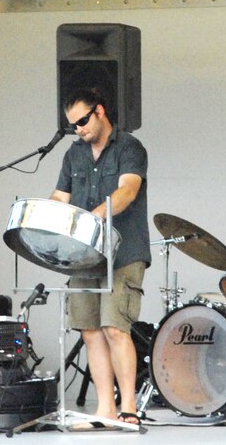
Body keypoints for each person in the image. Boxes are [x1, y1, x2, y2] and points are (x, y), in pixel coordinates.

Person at [50, 87, 150, 427]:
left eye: (82, 121)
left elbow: (128, 191)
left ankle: (129, 410)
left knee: (115, 328)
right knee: (90, 331)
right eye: (72, 125)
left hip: (123, 253)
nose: (78, 130)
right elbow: (60, 196)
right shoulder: (73, 154)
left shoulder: (129, 147)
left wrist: (93, 217)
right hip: (83, 255)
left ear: (100, 111)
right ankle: (105, 409)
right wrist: (46, 216)